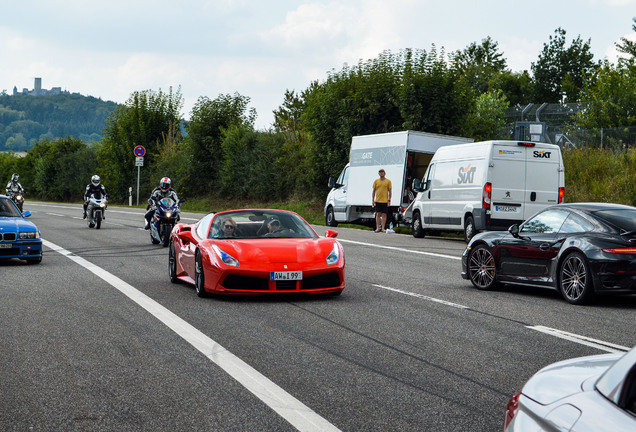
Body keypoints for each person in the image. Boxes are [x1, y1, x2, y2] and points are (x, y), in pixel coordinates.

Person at [372, 168, 392, 233]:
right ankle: (377, 227)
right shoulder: (376, 181)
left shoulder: (388, 181)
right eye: (380, 172)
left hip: (385, 200)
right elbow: (374, 191)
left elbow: (390, 191)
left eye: (382, 172)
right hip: (378, 200)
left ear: (384, 173)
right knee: (378, 214)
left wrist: (389, 200)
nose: (381, 173)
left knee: (384, 214)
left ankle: (383, 228)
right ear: (379, 174)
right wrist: (373, 200)